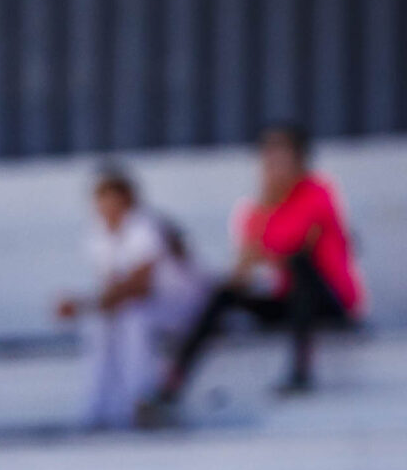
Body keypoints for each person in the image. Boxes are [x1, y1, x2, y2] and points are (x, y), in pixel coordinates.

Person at [147, 122, 364, 421]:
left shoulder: (318, 193)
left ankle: (301, 372)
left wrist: (266, 230)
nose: (273, 165)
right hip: (291, 303)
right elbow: (243, 272)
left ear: (300, 161)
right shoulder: (255, 209)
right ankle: (171, 386)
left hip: (329, 302)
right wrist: (263, 215)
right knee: (223, 294)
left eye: (281, 157)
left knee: (300, 266)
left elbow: (300, 247)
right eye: (268, 157)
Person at [55, 164, 206, 431]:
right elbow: (111, 289)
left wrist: (82, 305)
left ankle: (141, 401)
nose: (108, 209)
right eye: (102, 201)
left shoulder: (146, 225)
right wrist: (90, 307)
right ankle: (98, 408)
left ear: (129, 200)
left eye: (114, 201)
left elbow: (140, 286)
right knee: (101, 325)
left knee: (134, 319)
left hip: (184, 305)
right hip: (149, 306)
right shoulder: (99, 234)